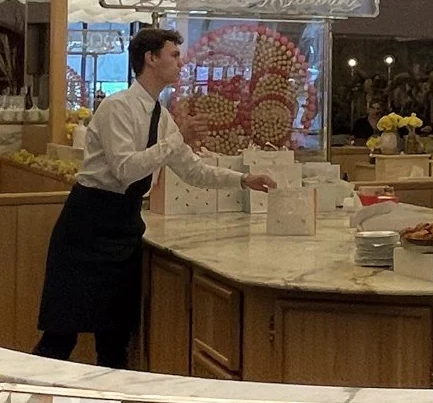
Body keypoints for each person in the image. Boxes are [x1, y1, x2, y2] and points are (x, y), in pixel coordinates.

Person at [34, 28, 276, 369]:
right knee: (61, 336)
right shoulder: (117, 107)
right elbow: (125, 169)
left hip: (125, 225)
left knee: (116, 339)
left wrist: (244, 179)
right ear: (151, 59)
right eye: (174, 55)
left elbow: (192, 171)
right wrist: (176, 141)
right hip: (87, 223)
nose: (181, 62)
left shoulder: (161, 117)